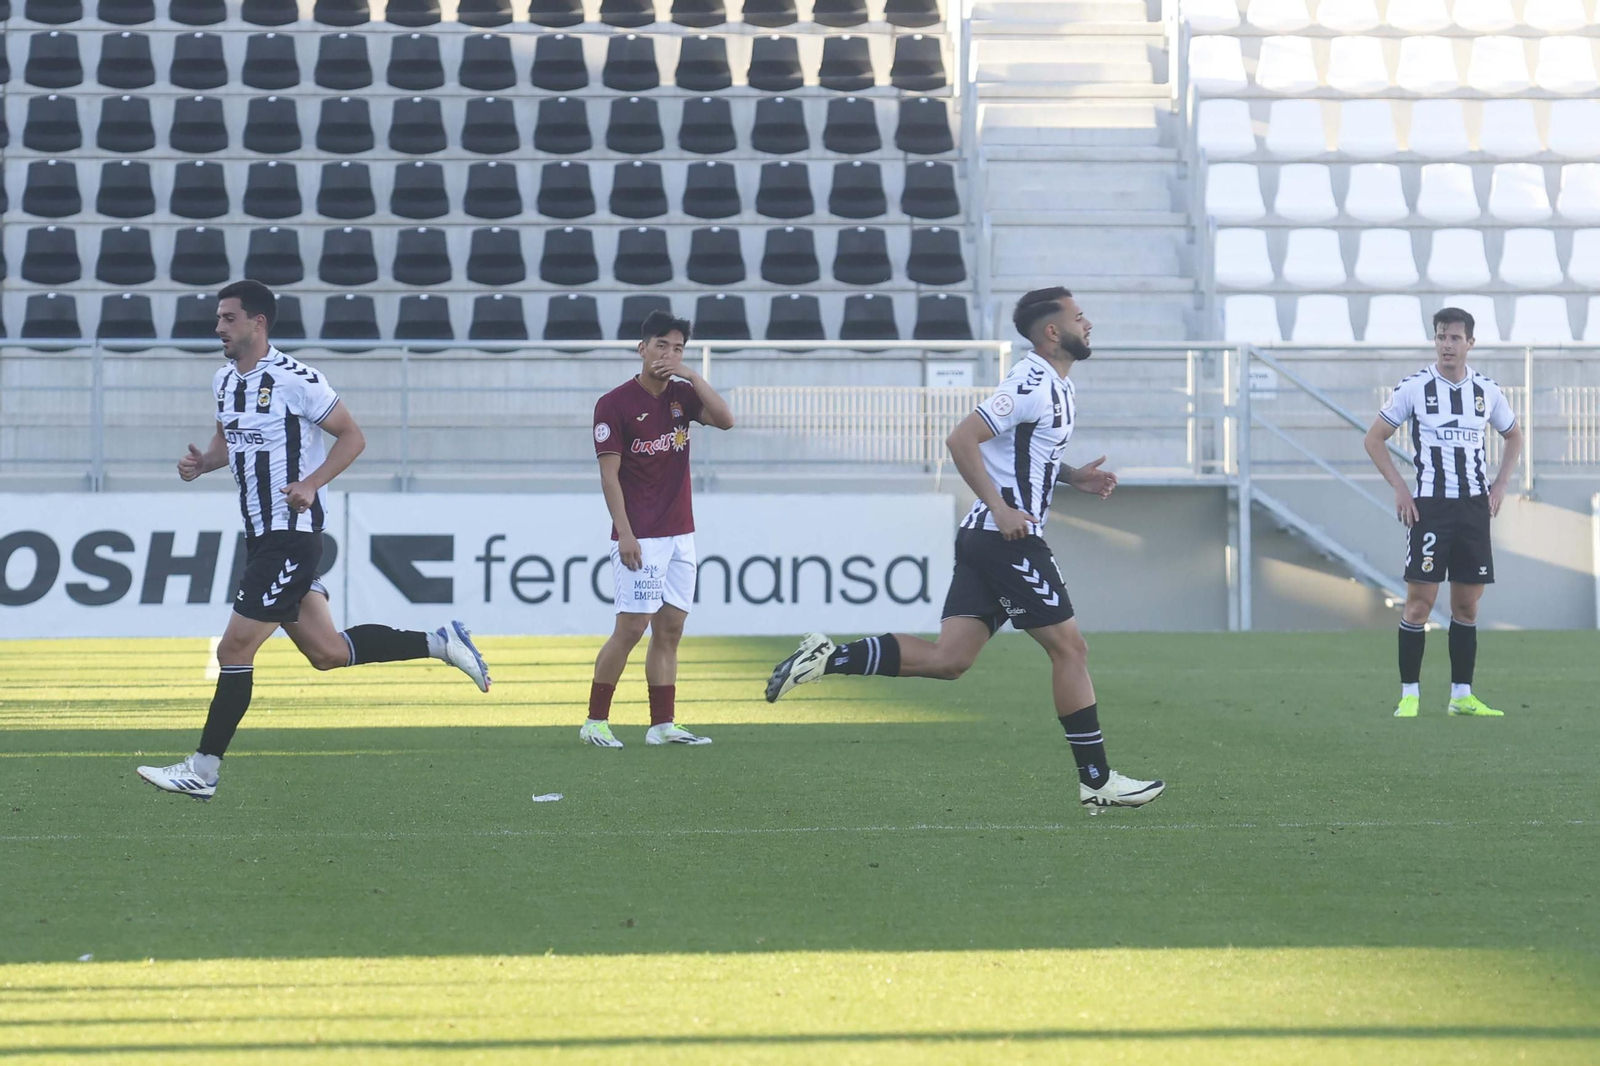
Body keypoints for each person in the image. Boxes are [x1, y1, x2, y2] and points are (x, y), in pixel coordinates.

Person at [765, 287, 1165, 811]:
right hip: (1007, 539)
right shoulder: (1029, 380)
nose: (1088, 324)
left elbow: (1026, 450)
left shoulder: (1057, 385)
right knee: (1071, 649)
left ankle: (828, 658)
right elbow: (961, 439)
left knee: (949, 660)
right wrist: (1000, 507)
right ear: (1052, 331)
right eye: (1079, 317)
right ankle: (1096, 781)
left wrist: (1073, 477)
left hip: (989, 538)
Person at [136, 280, 490, 801]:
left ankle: (203, 770)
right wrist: (202, 463)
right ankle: (440, 642)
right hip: (262, 539)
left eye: (228, 319)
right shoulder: (223, 381)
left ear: (258, 323)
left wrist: (310, 484)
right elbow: (226, 442)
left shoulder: (296, 379)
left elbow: (353, 436)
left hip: (292, 537)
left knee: (235, 647)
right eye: (218, 319)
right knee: (327, 652)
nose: (218, 328)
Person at [581, 310, 736, 748]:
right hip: (640, 536)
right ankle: (594, 721)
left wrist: (690, 374)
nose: (669, 354)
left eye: (678, 348)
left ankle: (661, 724)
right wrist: (625, 533)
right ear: (642, 348)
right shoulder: (614, 404)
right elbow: (609, 477)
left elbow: (726, 419)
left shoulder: (682, 397)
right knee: (631, 628)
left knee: (670, 630)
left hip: (680, 532)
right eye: (662, 345)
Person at [1363, 306, 1522, 719]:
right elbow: (1375, 438)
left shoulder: (1487, 391)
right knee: (1419, 601)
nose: (1446, 345)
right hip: (1430, 507)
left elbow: (1514, 435)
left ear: (1470, 343)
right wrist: (1400, 488)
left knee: (1467, 606)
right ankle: (1410, 694)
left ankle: (1461, 695)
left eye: (1454, 337)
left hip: (1473, 508)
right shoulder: (1415, 387)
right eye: (1440, 337)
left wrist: (1501, 483)